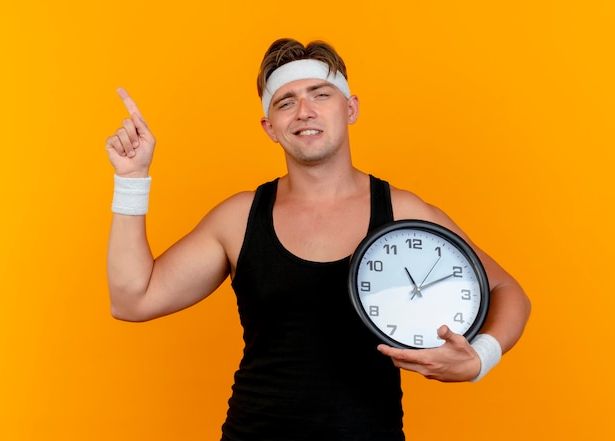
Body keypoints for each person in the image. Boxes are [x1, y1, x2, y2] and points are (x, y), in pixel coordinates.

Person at [105, 38, 531, 441]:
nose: (304, 111)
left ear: (351, 108)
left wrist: (480, 358)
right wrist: (131, 181)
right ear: (270, 127)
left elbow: (506, 290)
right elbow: (133, 299)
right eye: (286, 102)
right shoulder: (239, 217)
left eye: (320, 94)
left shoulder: (402, 211)